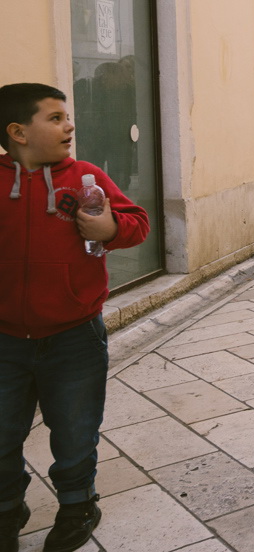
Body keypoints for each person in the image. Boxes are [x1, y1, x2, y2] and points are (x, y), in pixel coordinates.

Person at [0, 83, 150, 552]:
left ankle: (78, 505)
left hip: (74, 337)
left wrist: (110, 227)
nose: (70, 125)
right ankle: (7, 508)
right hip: (5, 339)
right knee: (1, 433)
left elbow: (138, 223)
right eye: (56, 118)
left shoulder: (86, 177)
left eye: (67, 116)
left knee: (74, 431)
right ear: (18, 132)